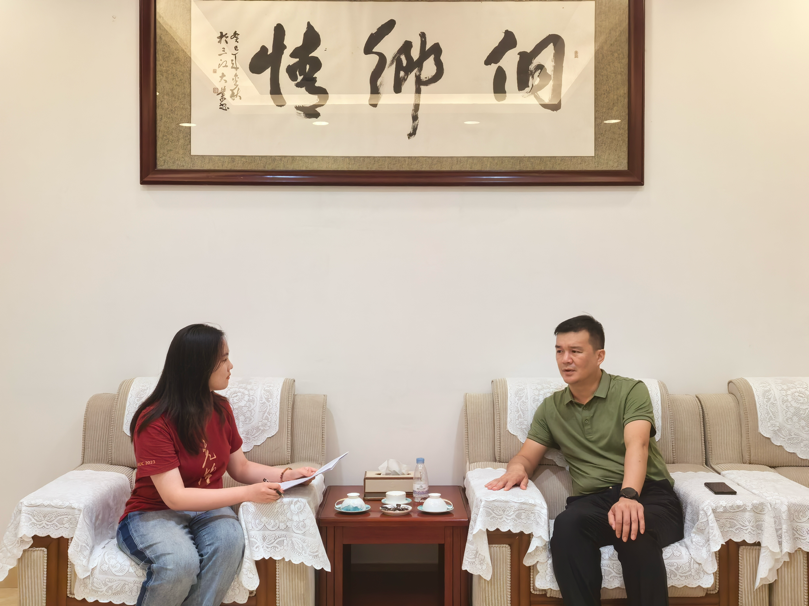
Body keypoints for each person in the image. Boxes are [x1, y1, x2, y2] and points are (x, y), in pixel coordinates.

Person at [485, 315, 683, 606]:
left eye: (575, 351)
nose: (565, 359)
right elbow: (527, 455)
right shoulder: (551, 408)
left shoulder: (631, 391)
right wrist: (516, 469)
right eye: (559, 351)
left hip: (649, 494)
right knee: (566, 527)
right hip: (594, 501)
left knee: (633, 531)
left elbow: (638, 444)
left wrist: (629, 497)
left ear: (599, 356)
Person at [117, 324, 316, 606]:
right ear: (197, 366)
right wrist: (247, 493)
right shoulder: (154, 421)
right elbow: (175, 497)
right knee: (179, 564)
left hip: (207, 509)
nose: (230, 366)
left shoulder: (220, 408)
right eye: (223, 359)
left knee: (230, 543)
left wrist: (287, 474)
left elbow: (241, 468)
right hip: (153, 512)